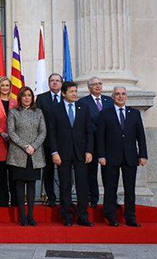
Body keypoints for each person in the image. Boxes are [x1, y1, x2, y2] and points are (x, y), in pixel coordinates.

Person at [97, 86, 147, 227]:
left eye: (123, 94)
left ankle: (130, 217)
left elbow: (141, 136)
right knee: (110, 188)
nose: (120, 96)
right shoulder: (105, 113)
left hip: (130, 157)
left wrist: (143, 154)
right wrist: (101, 155)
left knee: (130, 189)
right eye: (117, 94)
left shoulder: (134, 114)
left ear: (126, 96)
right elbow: (100, 137)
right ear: (112, 96)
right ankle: (110, 216)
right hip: (110, 157)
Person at [49, 81, 94, 227]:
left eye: (75, 91)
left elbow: (89, 131)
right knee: (65, 185)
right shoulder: (55, 109)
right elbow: (52, 133)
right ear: (63, 93)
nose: (75, 94)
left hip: (81, 153)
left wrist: (89, 151)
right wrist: (54, 152)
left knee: (82, 185)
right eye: (71, 92)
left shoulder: (84, 108)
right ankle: (67, 217)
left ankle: (83, 216)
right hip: (63, 154)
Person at [7, 87, 47, 226]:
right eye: (24, 95)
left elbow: (43, 132)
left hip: (34, 155)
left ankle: (31, 216)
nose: (27, 98)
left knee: (31, 186)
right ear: (20, 98)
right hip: (18, 154)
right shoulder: (13, 112)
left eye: (29, 95)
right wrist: (25, 146)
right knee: (19, 186)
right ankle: (22, 217)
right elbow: (11, 132)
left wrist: (34, 146)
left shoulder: (39, 112)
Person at [78, 77, 114, 207]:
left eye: (99, 84)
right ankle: (92, 199)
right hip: (91, 141)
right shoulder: (83, 102)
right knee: (91, 172)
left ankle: (110, 200)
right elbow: (84, 123)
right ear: (89, 87)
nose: (98, 86)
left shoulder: (109, 101)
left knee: (109, 173)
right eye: (94, 84)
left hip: (108, 143)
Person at [0, 76, 19, 207]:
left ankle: (16, 202)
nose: (5, 88)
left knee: (13, 174)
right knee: (0, 174)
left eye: (7, 85)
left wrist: (13, 135)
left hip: (14, 143)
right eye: (3, 85)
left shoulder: (15, 102)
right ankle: (2, 202)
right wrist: (2, 133)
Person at [35, 73, 63, 206]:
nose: (55, 83)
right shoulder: (41, 98)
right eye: (52, 81)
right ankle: (50, 197)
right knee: (48, 171)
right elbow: (37, 119)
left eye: (57, 81)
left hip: (64, 141)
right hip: (46, 141)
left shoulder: (66, 97)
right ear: (49, 83)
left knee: (65, 171)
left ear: (62, 83)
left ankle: (65, 197)